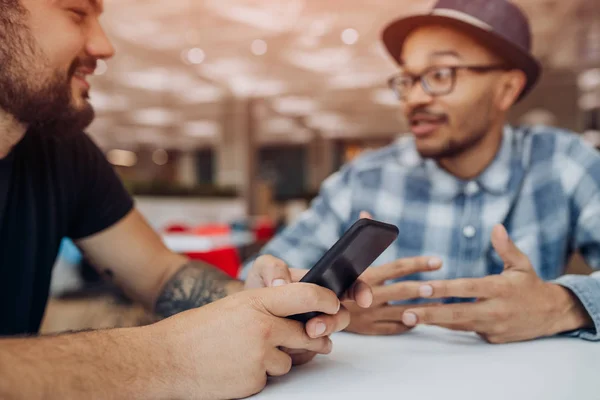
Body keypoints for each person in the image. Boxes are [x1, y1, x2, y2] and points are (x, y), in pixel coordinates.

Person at [0, 0, 373, 398]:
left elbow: (163, 276)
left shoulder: (62, 151)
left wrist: (257, 305)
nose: (104, 45)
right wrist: (166, 358)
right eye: (76, 12)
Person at [242, 0, 600, 343]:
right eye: (408, 80)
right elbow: (257, 280)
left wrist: (559, 305)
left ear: (506, 89)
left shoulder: (562, 162)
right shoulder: (364, 178)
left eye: (440, 74)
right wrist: (328, 308)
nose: (413, 99)